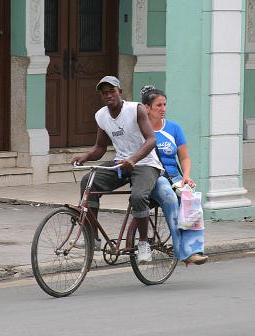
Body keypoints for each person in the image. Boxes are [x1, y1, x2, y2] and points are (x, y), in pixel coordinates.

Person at [71, 76, 163, 263]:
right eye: (104, 93)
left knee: (138, 197)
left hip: (145, 163)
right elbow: (100, 148)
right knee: (88, 181)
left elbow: (151, 140)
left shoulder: (135, 109)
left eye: (112, 91)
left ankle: (144, 243)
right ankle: (93, 237)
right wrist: (85, 156)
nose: (108, 95)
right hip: (121, 163)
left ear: (120, 92)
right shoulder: (101, 116)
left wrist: (134, 159)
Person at [141, 85, 208, 265]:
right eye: (158, 105)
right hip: (152, 177)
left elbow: (184, 157)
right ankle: (182, 252)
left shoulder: (174, 128)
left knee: (191, 202)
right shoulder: (139, 129)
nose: (163, 109)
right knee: (170, 198)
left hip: (175, 178)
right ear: (146, 108)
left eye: (164, 105)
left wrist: (186, 176)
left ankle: (195, 249)